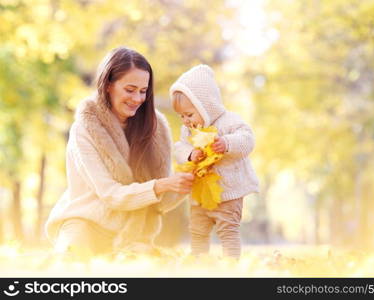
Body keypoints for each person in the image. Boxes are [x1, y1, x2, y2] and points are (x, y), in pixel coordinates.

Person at [45, 46, 194, 259]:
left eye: (143, 91)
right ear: (108, 85)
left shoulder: (155, 127)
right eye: (130, 89)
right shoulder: (85, 129)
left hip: (133, 235)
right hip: (85, 224)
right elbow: (110, 194)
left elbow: (159, 203)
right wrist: (162, 185)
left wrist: (188, 179)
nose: (137, 99)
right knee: (72, 267)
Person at [170, 64, 259, 259]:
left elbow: (247, 140)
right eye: (181, 116)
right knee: (197, 231)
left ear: (206, 105)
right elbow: (179, 148)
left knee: (228, 231)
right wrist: (190, 154)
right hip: (201, 192)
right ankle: (199, 263)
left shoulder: (229, 121)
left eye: (189, 114)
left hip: (229, 193)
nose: (185, 120)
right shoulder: (188, 130)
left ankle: (231, 265)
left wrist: (227, 144)